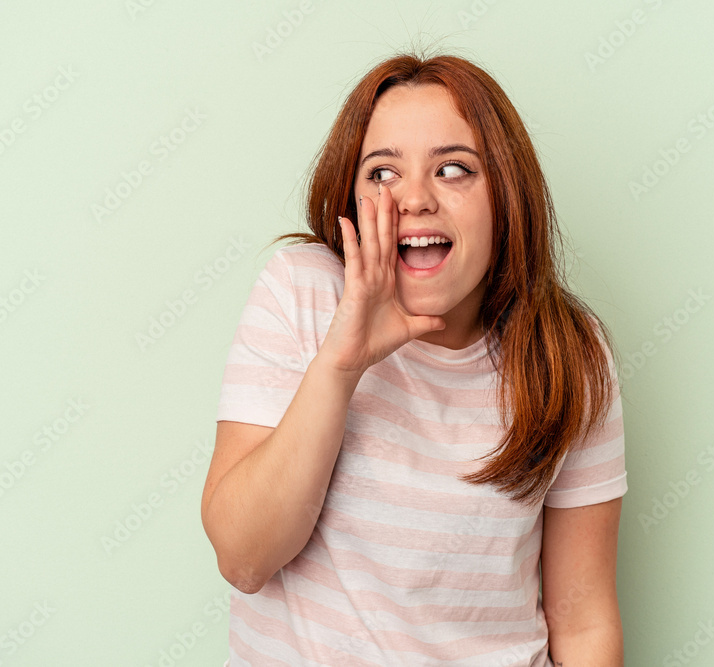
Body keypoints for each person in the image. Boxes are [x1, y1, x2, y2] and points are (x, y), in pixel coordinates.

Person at [201, 49, 628, 666]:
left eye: (454, 170)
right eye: (382, 173)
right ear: (352, 196)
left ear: (505, 195)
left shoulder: (570, 355)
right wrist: (341, 365)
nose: (414, 199)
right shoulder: (302, 291)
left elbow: (584, 623)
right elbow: (244, 559)